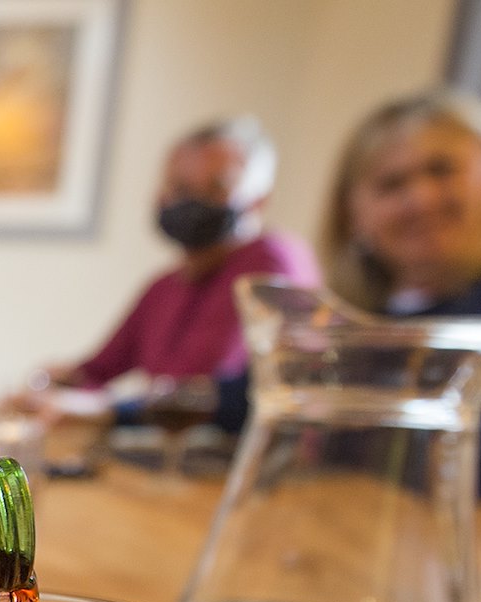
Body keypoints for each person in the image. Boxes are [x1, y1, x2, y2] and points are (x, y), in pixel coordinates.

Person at [318, 87, 481, 498]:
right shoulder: (351, 319)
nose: (420, 199)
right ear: (353, 213)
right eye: (391, 184)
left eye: (441, 170)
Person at [25, 117, 317, 415]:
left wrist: (101, 408)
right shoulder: (165, 286)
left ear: (258, 200)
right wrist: (54, 384)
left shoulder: (271, 263)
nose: (191, 201)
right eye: (180, 187)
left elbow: (201, 391)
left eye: (216, 187)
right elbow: (97, 370)